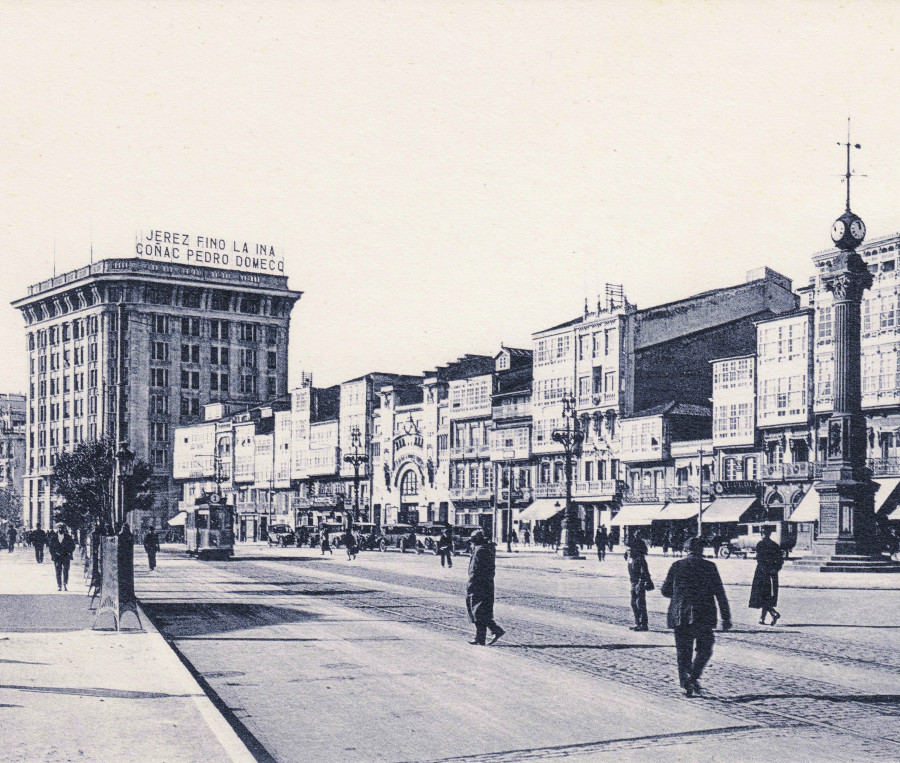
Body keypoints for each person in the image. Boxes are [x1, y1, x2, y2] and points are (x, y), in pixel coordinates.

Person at [660, 536, 732, 697]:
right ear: (701, 550)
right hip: (703, 615)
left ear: (686, 550)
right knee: (705, 648)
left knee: (683, 651)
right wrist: (726, 617)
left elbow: (665, 591)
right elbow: (720, 593)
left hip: (680, 615)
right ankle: (693, 676)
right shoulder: (710, 566)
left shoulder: (677, 566)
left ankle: (686, 683)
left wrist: (678, 593)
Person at [466, 529, 505, 645]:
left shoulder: (481, 551)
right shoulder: (484, 549)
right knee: (478, 610)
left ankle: (495, 630)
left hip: (479, 584)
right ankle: (480, 638)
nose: (471, 543)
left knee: (478, 611)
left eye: (473, 540)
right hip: (485, 584)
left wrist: (472, 583)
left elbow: (476, 570)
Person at [750, 526, 783, 625]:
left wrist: (765, 570)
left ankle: (773, 613)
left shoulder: (760, 544)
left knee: (761, 595)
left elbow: (759, 559)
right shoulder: (775, 545)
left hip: (762, 573)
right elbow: (780, 560)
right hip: (772, 574)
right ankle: (762, 618)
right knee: (767, 596)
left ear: (762, 534)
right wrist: (775, 569)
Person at [627, 537, 653, 631]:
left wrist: (640, 584)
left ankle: (644, 624)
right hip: (633, 583)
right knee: (633, 603)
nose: (628, 551)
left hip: (639, 583)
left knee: (640, 604)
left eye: (630, 549)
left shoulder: (640, 559)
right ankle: (637, 623)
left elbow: (644, 573)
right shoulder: (632, 559)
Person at [47, 524, 76, 592]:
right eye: (59, 528)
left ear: (64, 529)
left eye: (62, 528)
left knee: (66, 570)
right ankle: (59, 585)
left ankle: (65, 584)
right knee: (58, 571)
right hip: (57, 557)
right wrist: (53, 554)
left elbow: (72, 546)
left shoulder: (68, 537)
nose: (60, 529)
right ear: (57, 529)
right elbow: (51, 547)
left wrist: (69, 551)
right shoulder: (53, 537)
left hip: (65, 556)